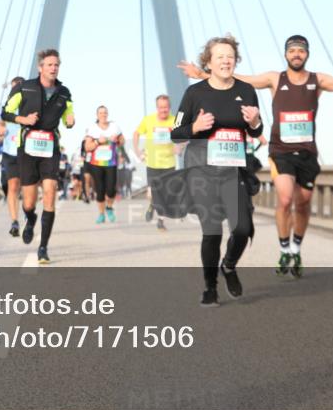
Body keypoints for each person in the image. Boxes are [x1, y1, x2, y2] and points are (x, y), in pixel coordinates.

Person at [180, 34, 333, 278]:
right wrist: (203, 75)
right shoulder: (274, 79)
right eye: (292, 50)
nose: (296, 54)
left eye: (301, 50)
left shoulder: (317, 80)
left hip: (307, 153)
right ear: (286, 54)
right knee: (285, 198)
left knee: (302, 203)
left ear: (307, 54)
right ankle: (283, 249)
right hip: (280, 151)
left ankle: (295, 248)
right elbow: (237, 79)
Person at [161, 35, 263, 307]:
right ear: (208, 61)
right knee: (212, 231)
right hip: (202, 171)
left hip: (233, 171)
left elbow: (257, 129)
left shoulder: (247, 90)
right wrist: (195, 128)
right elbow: (176, 133)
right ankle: (210, 287)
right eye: (220, 56)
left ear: (235, 60)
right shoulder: (195, 93)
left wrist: (254, 123)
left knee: (243, 228)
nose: (226, 60)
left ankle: (228, 266)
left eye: (230, 56)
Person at [1, 50, 75, 264]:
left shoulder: (64, 92)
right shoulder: (24, 88)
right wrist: (23, 119)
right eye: (50, 64)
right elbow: (5, 112)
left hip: (50, 148)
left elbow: (69, 113)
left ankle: (43, 247)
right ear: (40, 67)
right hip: (27, 149)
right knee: (29, 201)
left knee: (50, 192)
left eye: (56, 65)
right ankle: (30, 218)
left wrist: (70, 120)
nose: (54, 68)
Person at [134, 94, 177, 232]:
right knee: (153, 193)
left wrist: (180, 146)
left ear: (169, 107)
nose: (163, 110)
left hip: (169, 163)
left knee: (166, 194)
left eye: (166, 107)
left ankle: (160, 221)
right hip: (152, 163)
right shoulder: (148, 120)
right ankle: (152, 204)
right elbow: (136, 134)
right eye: (161, 107)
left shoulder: (175, 120)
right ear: (157, 107)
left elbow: (185, 136)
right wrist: (137, 151)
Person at [84, 105, 124, 224]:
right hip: (96, 164)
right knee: (100, 190)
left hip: (111, 163)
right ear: (97, 115)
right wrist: (97, 141)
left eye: (105, 113)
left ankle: (109, 207)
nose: (103, 115)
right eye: (101, 113)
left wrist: (116, 140)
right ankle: (101, 214)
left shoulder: (114, 127)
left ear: (107, 114)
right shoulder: (92, 128)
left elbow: (122, 141)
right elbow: (87, 147)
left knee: (111, 189)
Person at [0, 76, 24, 236]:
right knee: (13, 186)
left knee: (28, 188)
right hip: (9, 152)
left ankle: (29, 213)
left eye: (18, 87)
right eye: (13, 87)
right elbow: (0, 123)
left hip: (27, 152)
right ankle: (14, 221)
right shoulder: (6, 107)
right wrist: (1, 129)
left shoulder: (31, 105)